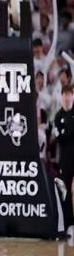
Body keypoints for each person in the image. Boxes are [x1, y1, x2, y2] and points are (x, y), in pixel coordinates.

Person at [53, 85, 74, 234]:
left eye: (69, 95)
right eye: (64, 95)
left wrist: (66, 130)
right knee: (65, 191)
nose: (67, 98)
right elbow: (60, 138)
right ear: (61, 97)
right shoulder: (58, 116)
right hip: (65, 160)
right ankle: (69, 222)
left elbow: (65, 134)